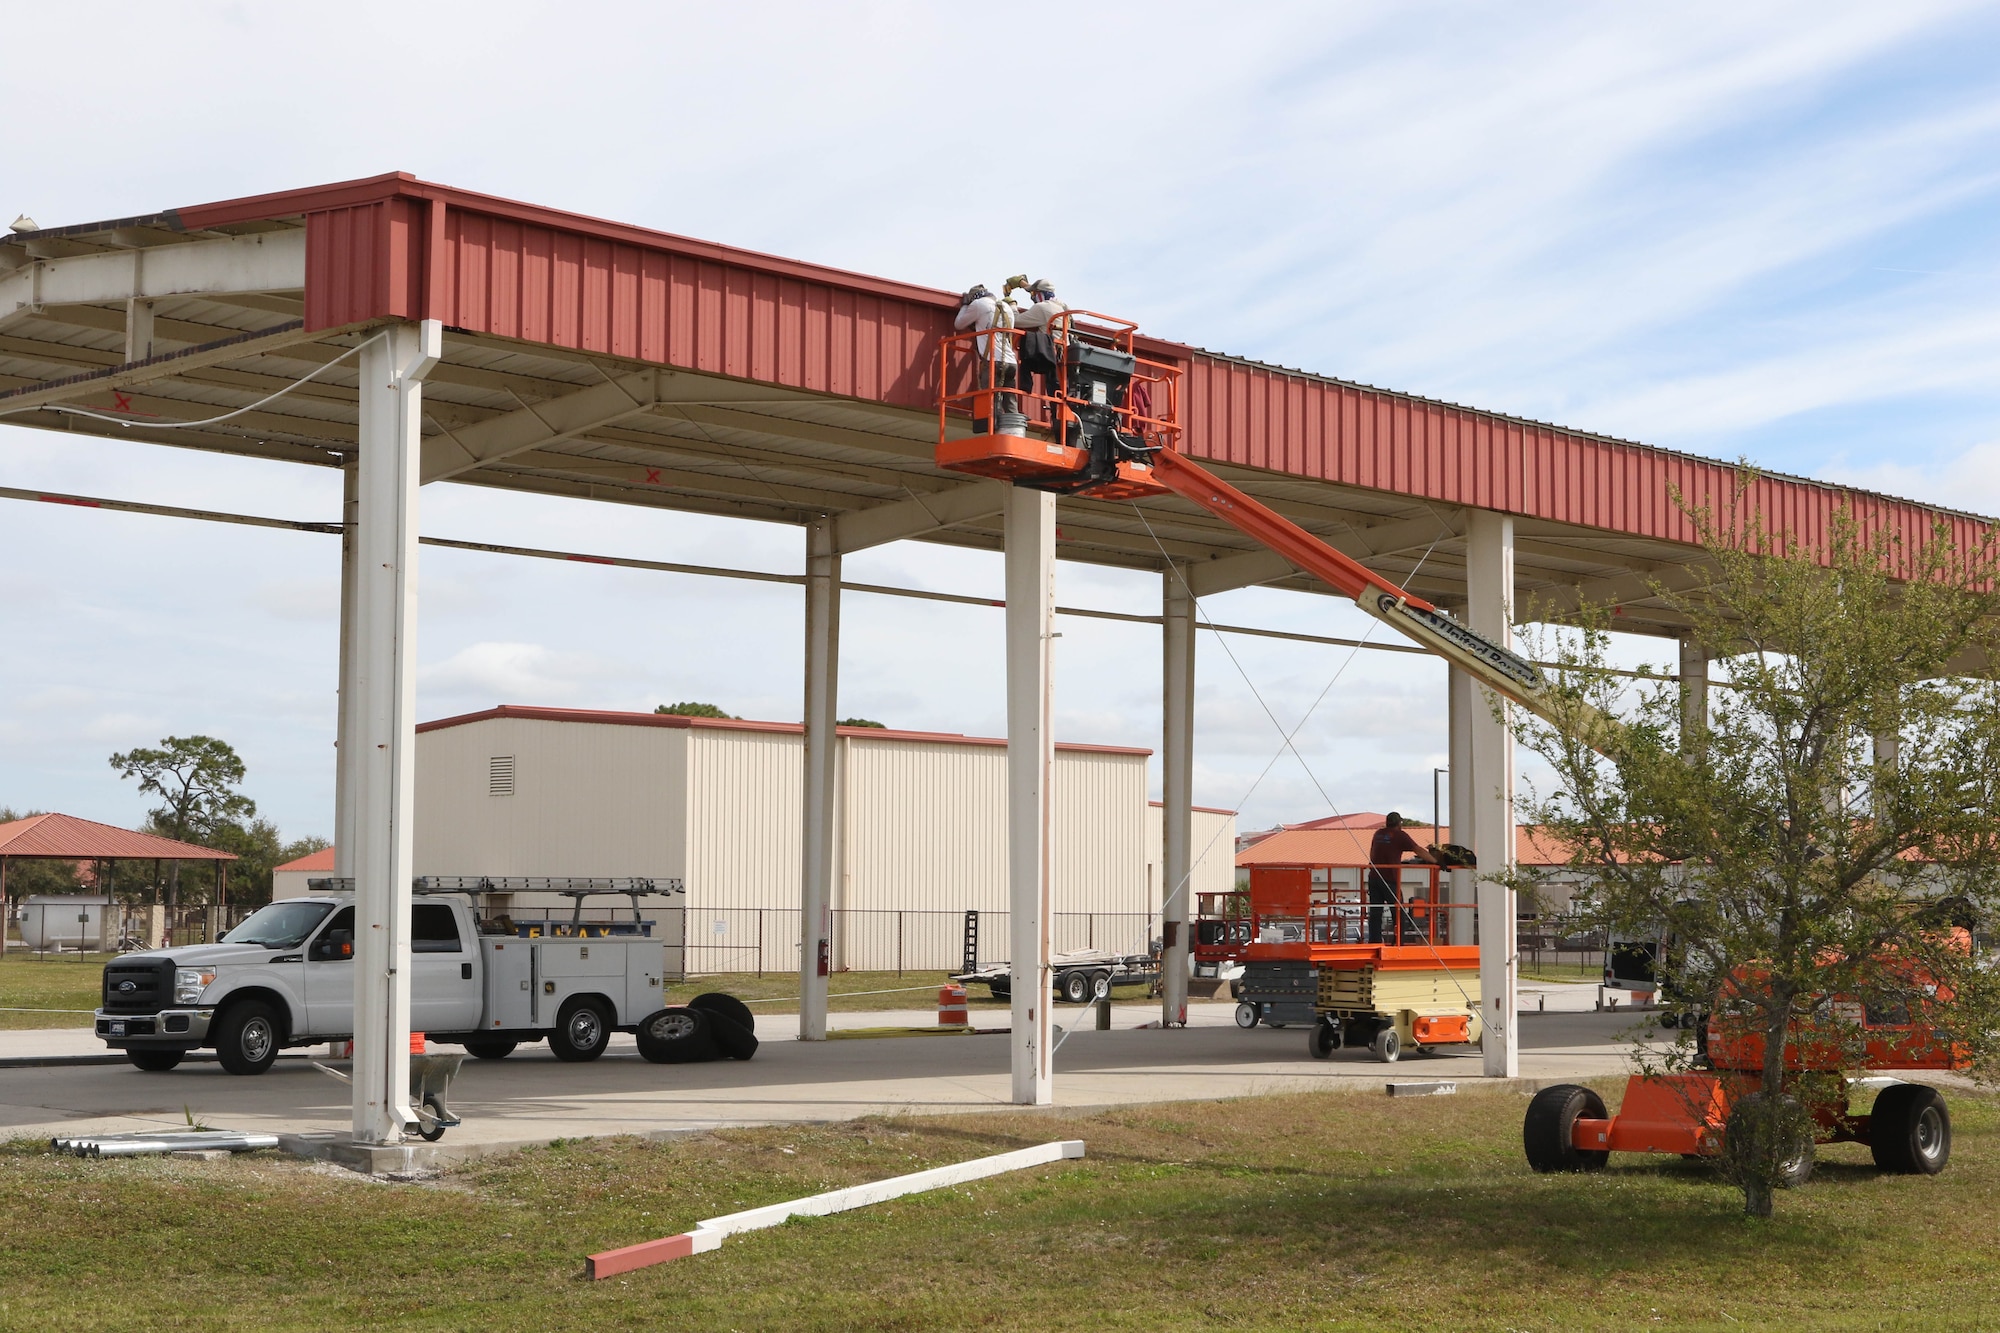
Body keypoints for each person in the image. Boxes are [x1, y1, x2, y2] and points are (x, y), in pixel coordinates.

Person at [953, 283, 1016, 434]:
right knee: (1010, 400)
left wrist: (965, 305)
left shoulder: (978, 304)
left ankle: (994, 433)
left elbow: (959, 324)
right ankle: (1014, 432)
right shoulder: (1006, 308)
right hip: (1011, 362)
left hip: (993, 361)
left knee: (991, 400)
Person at [1367, 812, 1438, 944]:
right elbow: (1417, 849)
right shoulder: (1400, 835)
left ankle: (1374, 941)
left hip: (1374, 876)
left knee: (1376, 911)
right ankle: (1399, 942)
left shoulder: (1378, 834)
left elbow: (1372, 852)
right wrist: (1435, 861)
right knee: (1398, 912)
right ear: (1399, 823)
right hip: (1389, 878)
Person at [1011, 278, 1068, 402]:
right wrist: (1023, 284)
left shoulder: (1042, 308)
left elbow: (1015, 321)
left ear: (1041, 294)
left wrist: (1012, 305)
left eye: (1034, 294)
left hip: (1053, 356)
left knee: (1055, 393)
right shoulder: (1061, 306)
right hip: (1064, 356)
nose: (1033, 297)